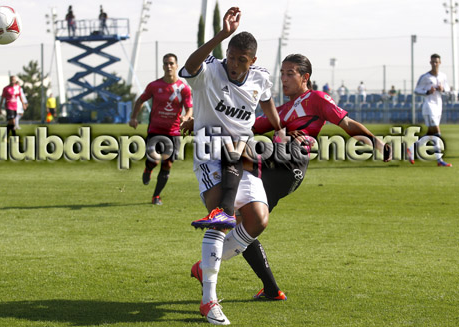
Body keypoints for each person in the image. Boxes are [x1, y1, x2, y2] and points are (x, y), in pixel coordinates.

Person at [186, 53, 392, 312]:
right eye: (281, 73)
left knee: (232, 151)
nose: (283, 79)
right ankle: (270, 289)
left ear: (305, 77)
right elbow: (247, 124)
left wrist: (376, 142)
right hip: (276, 173)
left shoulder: (315, 98)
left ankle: (220, 217)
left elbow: (346, 123)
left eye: (290, 73)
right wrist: (203, 120)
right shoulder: (282, 110)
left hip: (291, 161)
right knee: (249, 224)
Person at [179, 7, 282, 325]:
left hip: (241, 154)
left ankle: (205, 264)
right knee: (220, 218)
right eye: (232, 56)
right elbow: (191, 65)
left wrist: (278, 128)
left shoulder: (261, 77)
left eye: (241, 60)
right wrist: (222, 34)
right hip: (210, 152)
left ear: (251, 61)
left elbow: (264, 99)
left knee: (258, 219)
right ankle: (208, 299)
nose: (234, 65)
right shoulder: (210, 70)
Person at [129, 53, 193, 205]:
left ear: (177, 66)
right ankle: (148, 169)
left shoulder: (184, 88)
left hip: (174, 133)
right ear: (163, 66)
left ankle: (156, 196)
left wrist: (186, 117)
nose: (169, 66)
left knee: (167, 164)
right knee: (155, 159)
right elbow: (140, 100)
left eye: (171, 63)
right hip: (155, 131)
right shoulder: (154, 86)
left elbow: (189, 108)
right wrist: (133, 117)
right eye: (166, 63)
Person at [408, 53, 452, 167]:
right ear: (430, 62)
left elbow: (447, 89)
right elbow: (416, 90)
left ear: (440, 63)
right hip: (429, 107)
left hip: (438, 107)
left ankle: (411, 148)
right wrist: (427, 91)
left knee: (430, 134)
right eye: (433, 62)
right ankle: (439, 160)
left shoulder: (443, 76)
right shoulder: (425, 77)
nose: (434, 64)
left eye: (436, 62)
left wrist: (443, 89)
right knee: (437, 132)